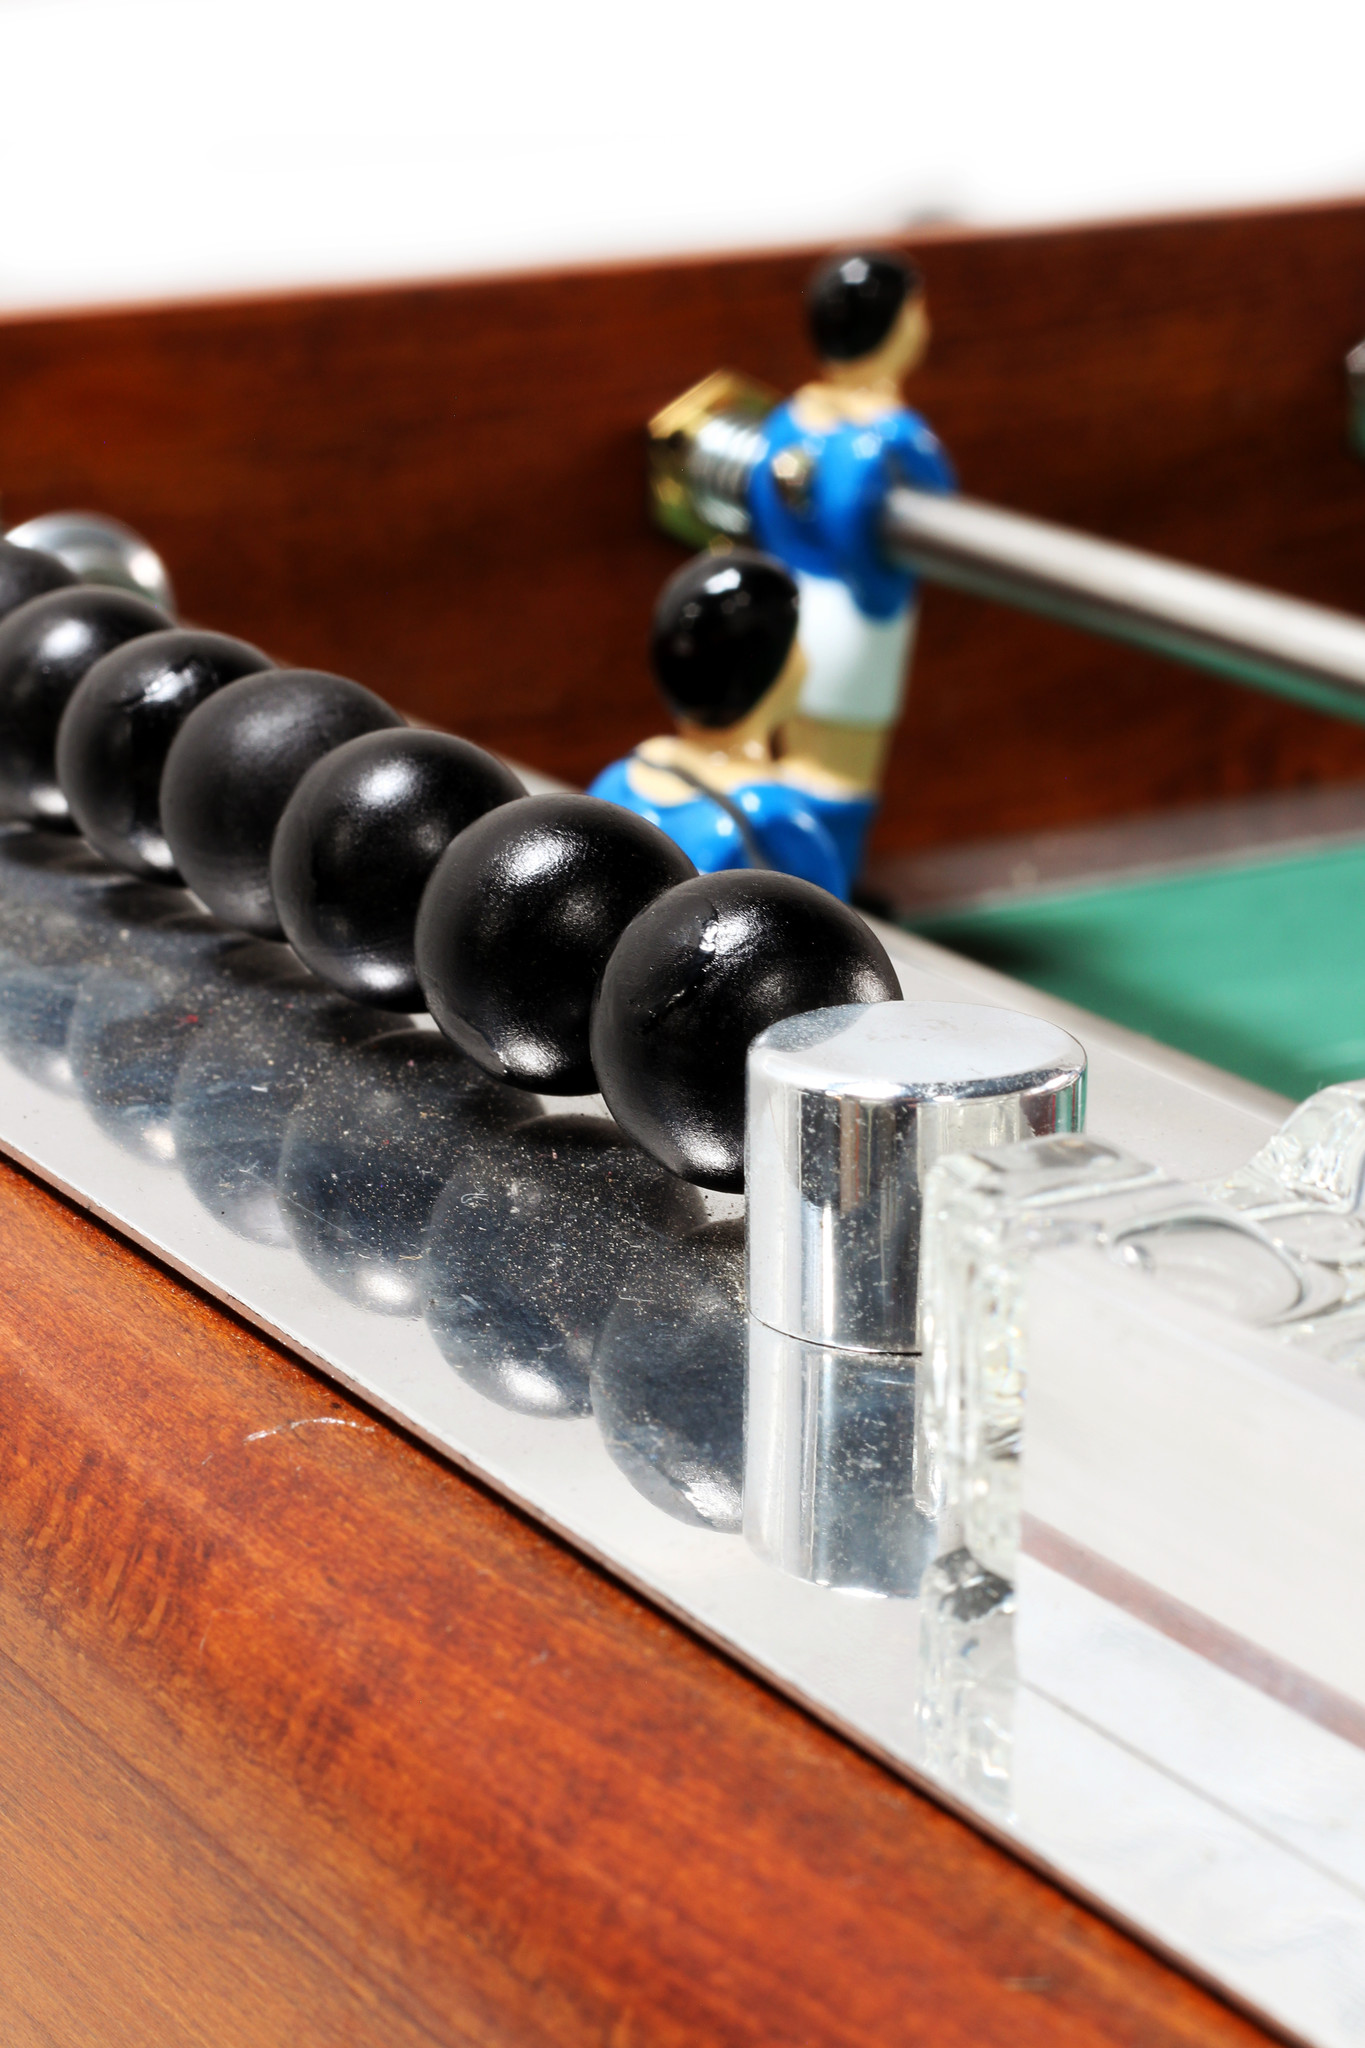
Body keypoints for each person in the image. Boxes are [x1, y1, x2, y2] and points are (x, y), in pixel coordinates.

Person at [746, 250, 955, 864]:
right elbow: (937, 498)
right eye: (914, 313)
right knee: (842, 773)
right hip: (861, 624)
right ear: (890, 327)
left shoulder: (790, 419)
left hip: (794, 609)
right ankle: (826, 897)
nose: (923, 326)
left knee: (793, 757)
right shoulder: (893, 438)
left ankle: (790, 885)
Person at [589, 550, 867, 900]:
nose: (806, 659)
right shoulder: (774, 820)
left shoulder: (616, 780)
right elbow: (836, 932)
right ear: (771, 666)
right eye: (796, 644)